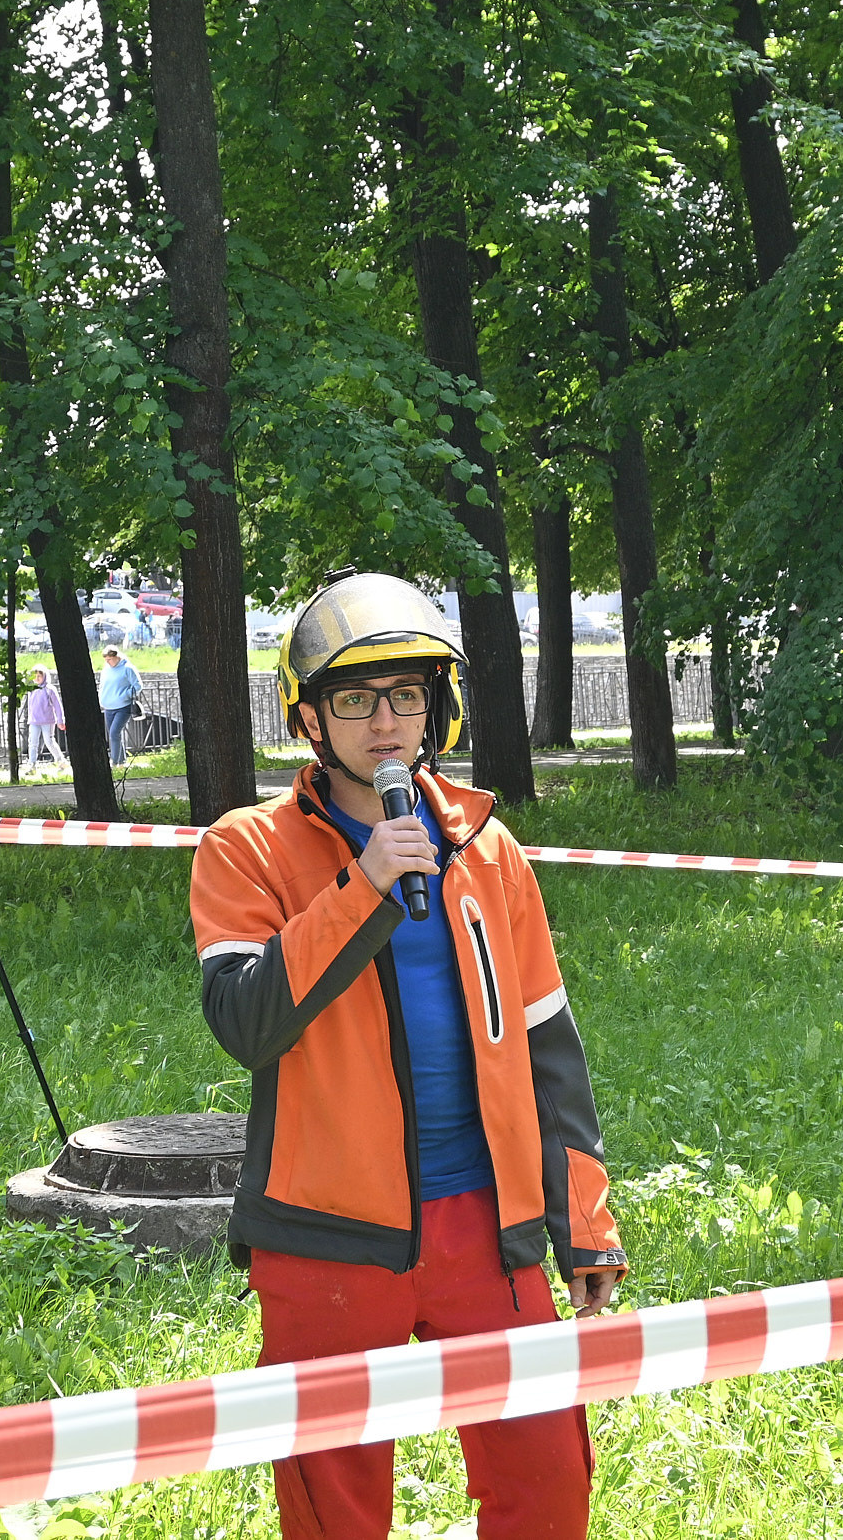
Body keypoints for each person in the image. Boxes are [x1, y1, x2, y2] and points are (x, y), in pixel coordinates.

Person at [193, 571, 623, 1540]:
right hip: (325, 1243)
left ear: (438, 709)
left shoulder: (487, 847)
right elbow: (245, 1021)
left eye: (406, 695)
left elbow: (549, 1044)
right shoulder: (243, 850)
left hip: (488, 1227)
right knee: (334, 1515)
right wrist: (364, 884)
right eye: (354, 698)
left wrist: (582, 1219)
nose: (384, 722)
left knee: (549, 1485)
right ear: (307, 718)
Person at [100, 645, 143, 764]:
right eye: (106, 660)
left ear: (116, 657)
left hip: (123, 707)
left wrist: (125, 695)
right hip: (108, 707)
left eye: (109, 659)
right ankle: (122, 761)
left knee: (114, 733)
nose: (107, 662)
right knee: (114, 735)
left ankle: (113, 761)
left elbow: (138, 686)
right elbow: (103, 685)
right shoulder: (106, 669)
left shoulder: (127, 668)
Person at [25, 666, 66, 768]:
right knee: (32, 743)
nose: (37, 678)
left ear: (44, 676)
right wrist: (30, 718)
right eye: (35, 676)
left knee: (49, 741)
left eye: (39, 676)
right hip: (34, 721)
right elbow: (30, 705)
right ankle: (32, 764)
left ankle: (61, 761)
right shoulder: (31, 689)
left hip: (47, 720)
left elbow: (57, 705)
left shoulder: (50, 689)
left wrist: (60, 720)